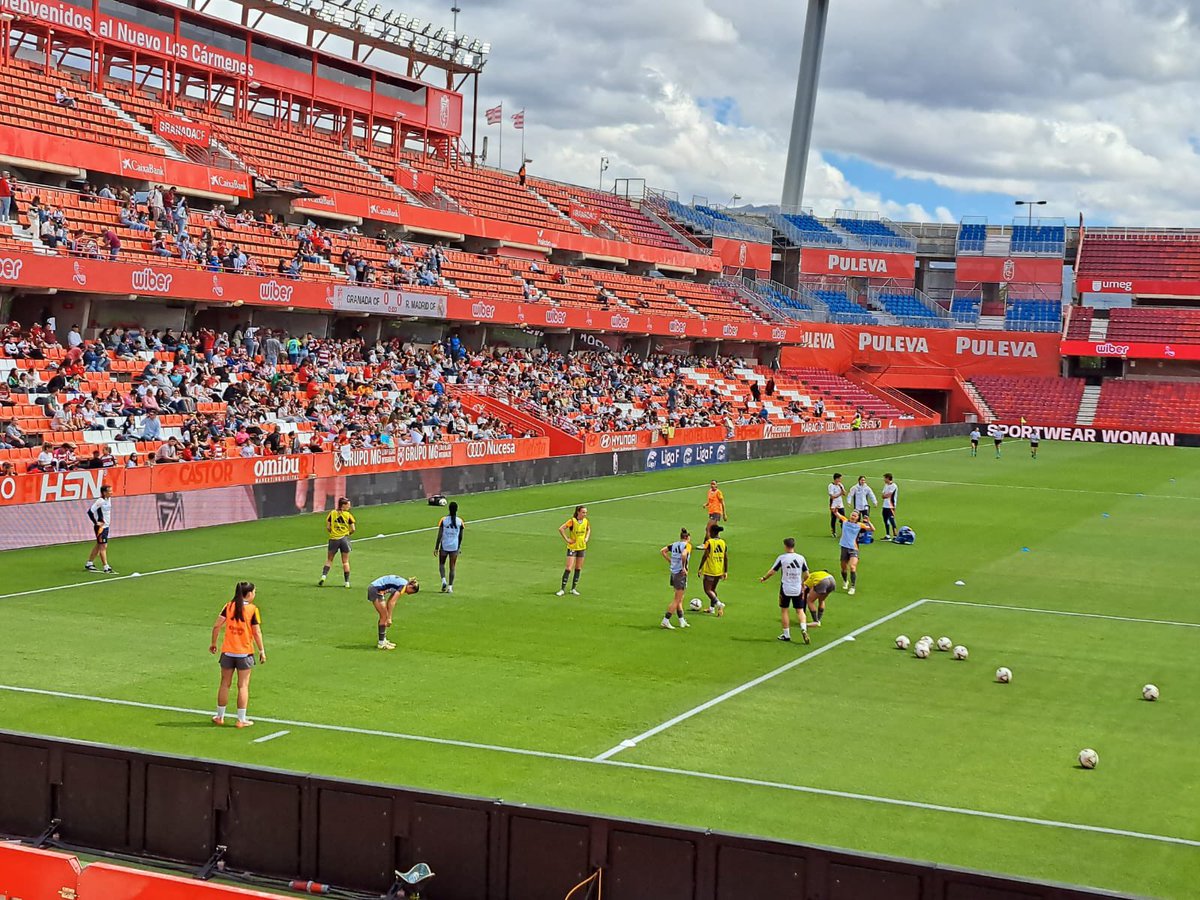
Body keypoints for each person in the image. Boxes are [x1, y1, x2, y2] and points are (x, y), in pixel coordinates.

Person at [209, 581, 266, 728]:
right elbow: (257, 632)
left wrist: (214, 643)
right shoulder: (253, 609)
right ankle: (241, 719)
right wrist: (261, 650)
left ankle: (220, 716)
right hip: (245, 653)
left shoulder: (228, 606)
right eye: (254, 592)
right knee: (243, 686)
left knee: (224, 684)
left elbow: (216, 626)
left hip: (228, 651)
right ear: (248, 594)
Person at [759, 537, 809, 643]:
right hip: (797, 588)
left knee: (784, 610)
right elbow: (807, 574)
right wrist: (803, 583)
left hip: (785, 587)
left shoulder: (782, 558)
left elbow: (773, 571)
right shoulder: (801, 558)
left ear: (785, 546)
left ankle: (786, 635)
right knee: (800, 610)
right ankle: (804, 629)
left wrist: (764, 578)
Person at [366, 574, 420, 650]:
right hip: (375, 590)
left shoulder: (403, 584)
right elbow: (392, 602)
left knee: (384, 616)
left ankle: (383, 640)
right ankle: (381, 643)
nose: (408, 594)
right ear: (410, 587)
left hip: (377, 591)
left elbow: (390, 601)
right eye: (411, 592)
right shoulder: (403, 587)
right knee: (384, 617)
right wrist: (389, 618)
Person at [318, 497, 356, 587]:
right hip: (344, 539)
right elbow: (353, 529)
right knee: (345, 561)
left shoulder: (332, 513)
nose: (349, 507)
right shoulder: (348, 515)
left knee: (329, 560)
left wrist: (334, 532)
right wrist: (348, 533)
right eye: (348, 505)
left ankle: (323, 576)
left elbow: (328, 527)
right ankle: (347, 582)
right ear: (343, 505)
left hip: (333, 539)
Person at [659, 527, 692, 630]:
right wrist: (683, 567)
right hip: (680, 574)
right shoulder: (687, 545)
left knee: (680, 598)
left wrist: (670, 561)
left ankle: (682, 620)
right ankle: (666, 620)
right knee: (677, 599)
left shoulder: (674, 544)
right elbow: (683, 555)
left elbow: (663, 551)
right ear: (687, 537)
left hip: (673, 572)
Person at [834, 510, 872, 596]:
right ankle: (845, 581)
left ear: (858, 518)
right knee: (843, 568)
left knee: (852, 567)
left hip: (853, 548)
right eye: (852, 515)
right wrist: (835, 511)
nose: (853, 517)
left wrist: (868, 522)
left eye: (855, 516)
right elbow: (837, 514)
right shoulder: (845, 521)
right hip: (844, 547)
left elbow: (872, 529)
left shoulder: (859, 525)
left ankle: (852, 586)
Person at [556, 505, 590, 596]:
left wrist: (586, 538)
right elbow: (561, 528)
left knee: (578, 568)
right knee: (568, 568)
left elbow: (588, 529)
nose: (585, 514)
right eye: (583, 512)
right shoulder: (572, 521)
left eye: (586, 512)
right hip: (573, 547)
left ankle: (573, 588)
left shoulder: (586, 521)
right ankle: (562, 589)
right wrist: (567, 539)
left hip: (581, 547)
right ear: (578, 512)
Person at [697, 523, 728, 616]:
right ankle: (712, 608)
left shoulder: (709, 542)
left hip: (710, 569)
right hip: (719, 570)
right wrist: (725, 571)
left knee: (707, 590)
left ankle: (719, 604)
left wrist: (700, 568)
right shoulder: (723, 542)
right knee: (713, 589)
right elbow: (726, 557)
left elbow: (705, 555)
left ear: (712, 532)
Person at [435, 501, 465, 593]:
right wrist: (459, 547)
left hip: (444, 545)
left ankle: (443, 580)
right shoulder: (460, 521)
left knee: (441, 564)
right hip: (454, 547)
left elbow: (439, 535)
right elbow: (460, 536)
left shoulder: (443, 520)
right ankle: (450, 587)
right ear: (457, 510)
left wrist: (436, 547)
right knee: (452, 567)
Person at [84, 484, 116, 574]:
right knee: (103, 546)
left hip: (106, 526)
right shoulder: (100, 501)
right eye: (109, 491)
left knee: (99, 545)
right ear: (104, 492)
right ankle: (106, 566)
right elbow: (90, 512)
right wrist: (96, 522)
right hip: (101, 528)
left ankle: (89, 563)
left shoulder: (108, 499)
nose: (111, 492)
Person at [827, 472, 846, 538]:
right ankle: (833, 531)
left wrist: (843, 491)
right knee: (833, 518)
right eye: (839, 479)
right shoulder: (831, 486)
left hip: (840, 504)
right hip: (833, 504)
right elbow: (832, 496)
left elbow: (844, 493)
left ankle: (843, 531)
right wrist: (840, 494)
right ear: (836, 479)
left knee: (843, 518)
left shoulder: (840, 485)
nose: (840, 480)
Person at [880, 473, 898, 540]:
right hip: (885, 505)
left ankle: (895, 535)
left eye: (884, 478)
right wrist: (884, 495)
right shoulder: (886, 485)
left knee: (892, 520)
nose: (884, 479)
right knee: (885, 520)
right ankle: (887, 535)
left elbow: (888, 495)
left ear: (888, 478)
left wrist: (884, 495)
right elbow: (883, 494)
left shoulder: (894, 486)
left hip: (891, 506)